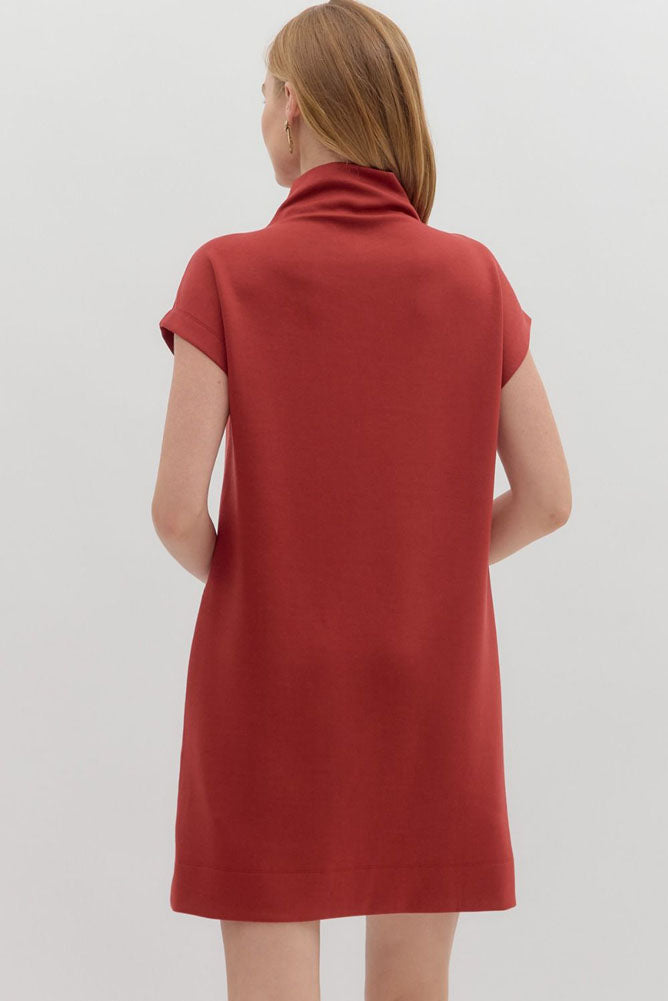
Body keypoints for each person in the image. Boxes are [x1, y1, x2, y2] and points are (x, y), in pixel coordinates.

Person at [151, 1, 572, 998]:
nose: (261, 113)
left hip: (269, 687)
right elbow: (549, 497)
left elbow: (175, 510)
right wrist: (422, 567)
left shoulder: (227, 272)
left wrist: (267, 585)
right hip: (430, 684)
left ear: (293, 103)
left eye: (263, 93)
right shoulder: (473, 276)